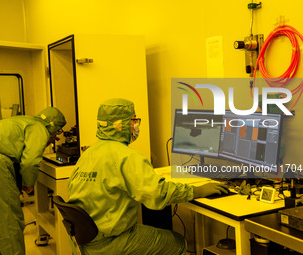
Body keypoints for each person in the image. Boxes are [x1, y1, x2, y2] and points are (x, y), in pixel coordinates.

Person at [68, 98, 228, 255]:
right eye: (133, 119)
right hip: (111, 241)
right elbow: (157, 194)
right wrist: (196, 191)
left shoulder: (88, 153)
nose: (136, 124)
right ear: (119, 124)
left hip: (87, 242)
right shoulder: (127, 156)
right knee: (177, 243)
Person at [0, 107, 66, 255]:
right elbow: (30, 162)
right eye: (57, 131)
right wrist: (28, 184)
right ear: (53, 126)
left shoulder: (24, 121)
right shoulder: (39, 128)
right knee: (8, 219)